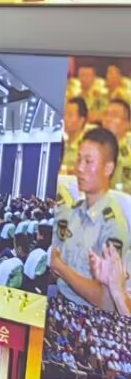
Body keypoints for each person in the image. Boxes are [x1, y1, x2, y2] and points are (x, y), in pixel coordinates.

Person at [51, 126, 131, 309]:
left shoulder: (112, 226)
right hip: (59, 297)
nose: (79, 168)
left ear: (108, 168)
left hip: (83, 311)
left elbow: (106, 301)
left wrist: (59, 266)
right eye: (79, 159)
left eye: (88, 161)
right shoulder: (76, 210)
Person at [63, 95, 90, 174]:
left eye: (70, 115)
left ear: (81, 120)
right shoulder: (62, 142)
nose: (65, 119)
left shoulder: (86, 145)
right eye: (64, 114)